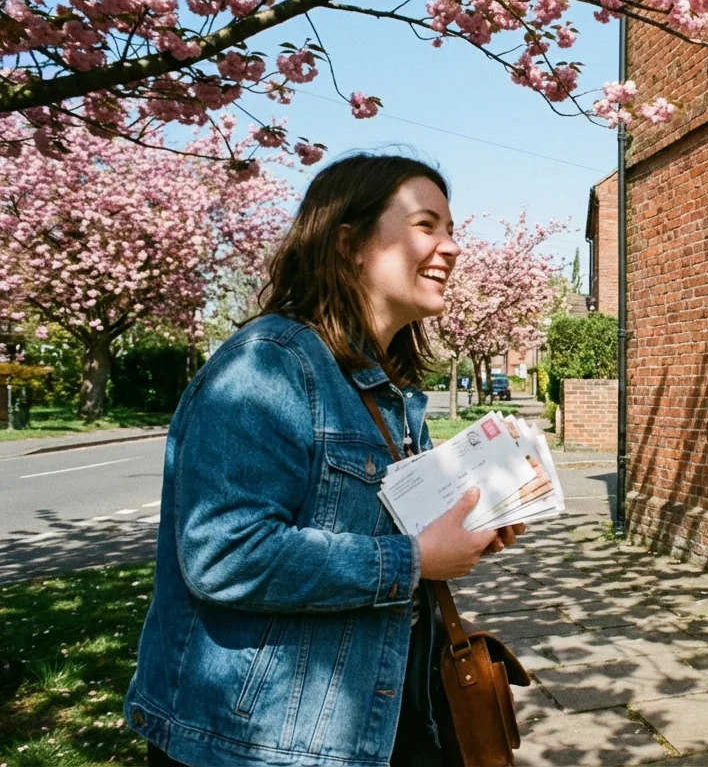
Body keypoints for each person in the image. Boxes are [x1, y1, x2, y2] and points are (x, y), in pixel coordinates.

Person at [125, 153, 522, 766]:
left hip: (371, 720)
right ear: (350, 244)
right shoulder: (267, 366)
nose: (452, 247)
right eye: (426, 225)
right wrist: (416, 557)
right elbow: (223, 552)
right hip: (256, 745)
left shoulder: (379, 387)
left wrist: (462, 530)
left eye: (451, 229)